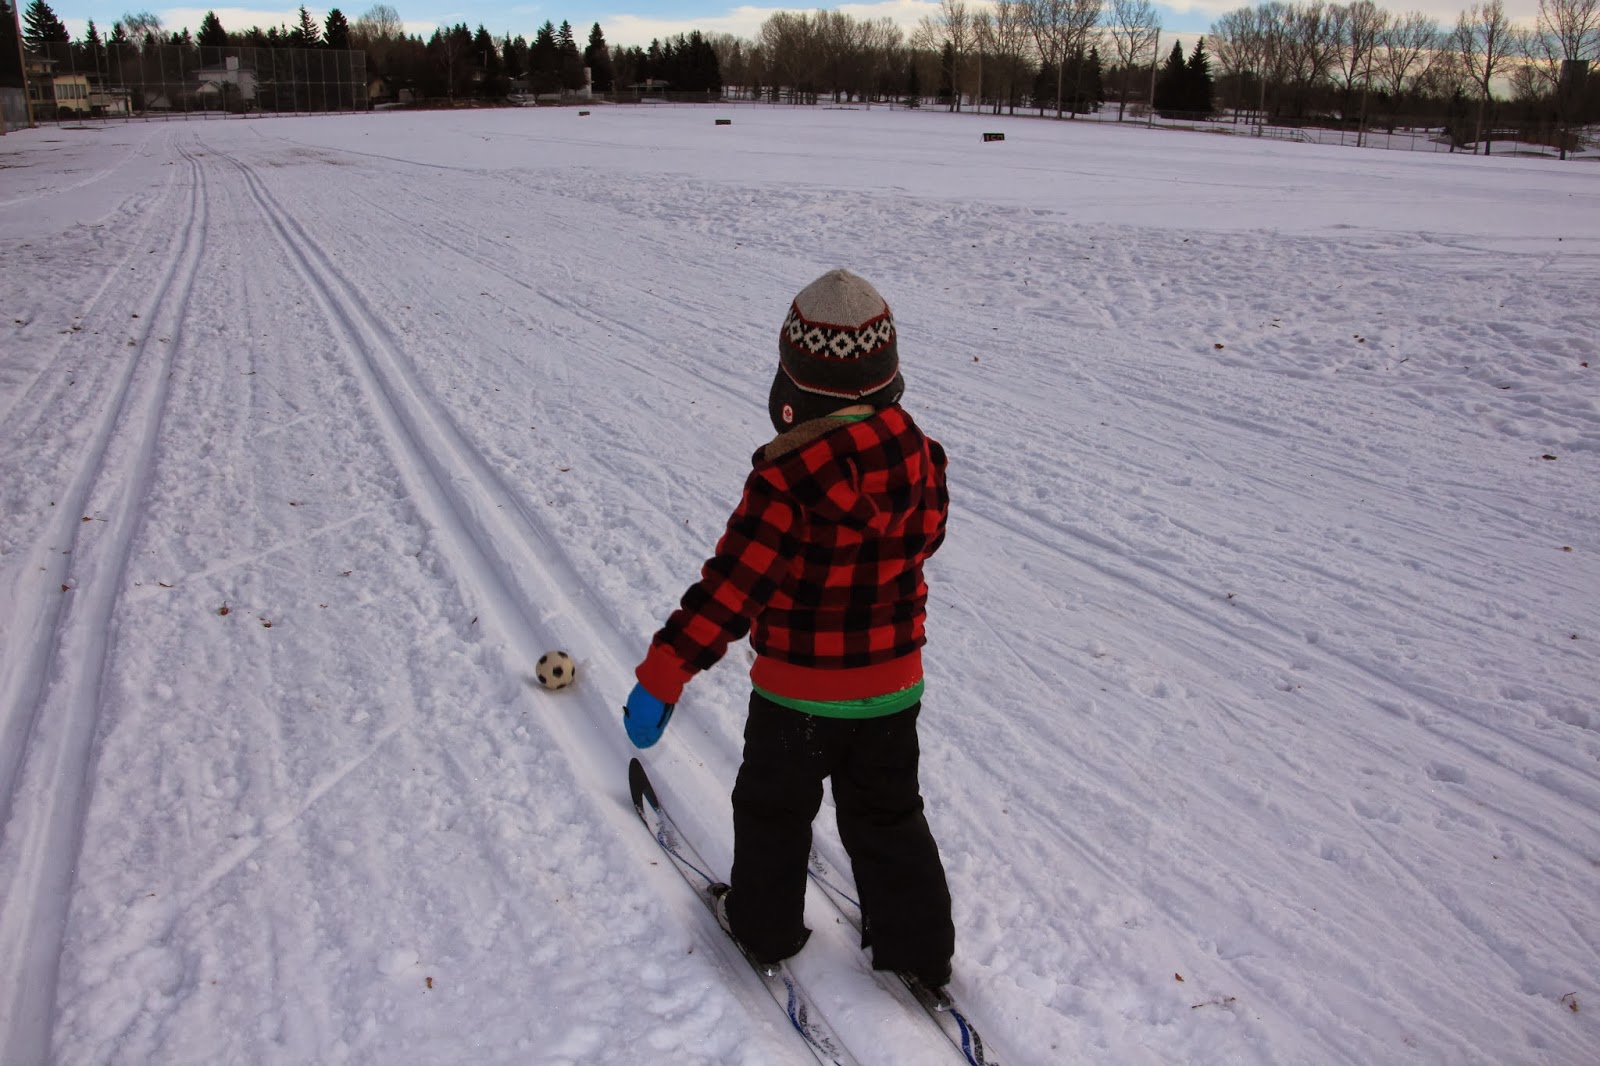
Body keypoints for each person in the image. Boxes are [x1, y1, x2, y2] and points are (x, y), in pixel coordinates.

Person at [622, 268, 955, 990]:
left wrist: (663, 674)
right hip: (894, 685)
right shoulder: (923, 458)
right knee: (888, 814)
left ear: (794, 382)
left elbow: (731, 592)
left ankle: (764, 926)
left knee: (773, 810)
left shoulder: (783, 483)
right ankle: (920, 947)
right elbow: (926, 539)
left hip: (797, 696)